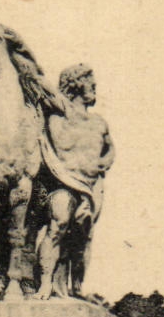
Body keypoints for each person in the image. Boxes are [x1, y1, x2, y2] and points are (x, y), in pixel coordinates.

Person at [35, 64, 114, 300]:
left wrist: (105, 162)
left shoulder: (100, 123)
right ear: (77, 83)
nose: (94, 88)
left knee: (82, 239)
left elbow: (110, 149)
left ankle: (76, 288)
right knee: (58, 224)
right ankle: (45, 284)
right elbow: (38, 81)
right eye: (90, 83)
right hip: (63, 180)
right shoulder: (61, 109)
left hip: (90, 188)